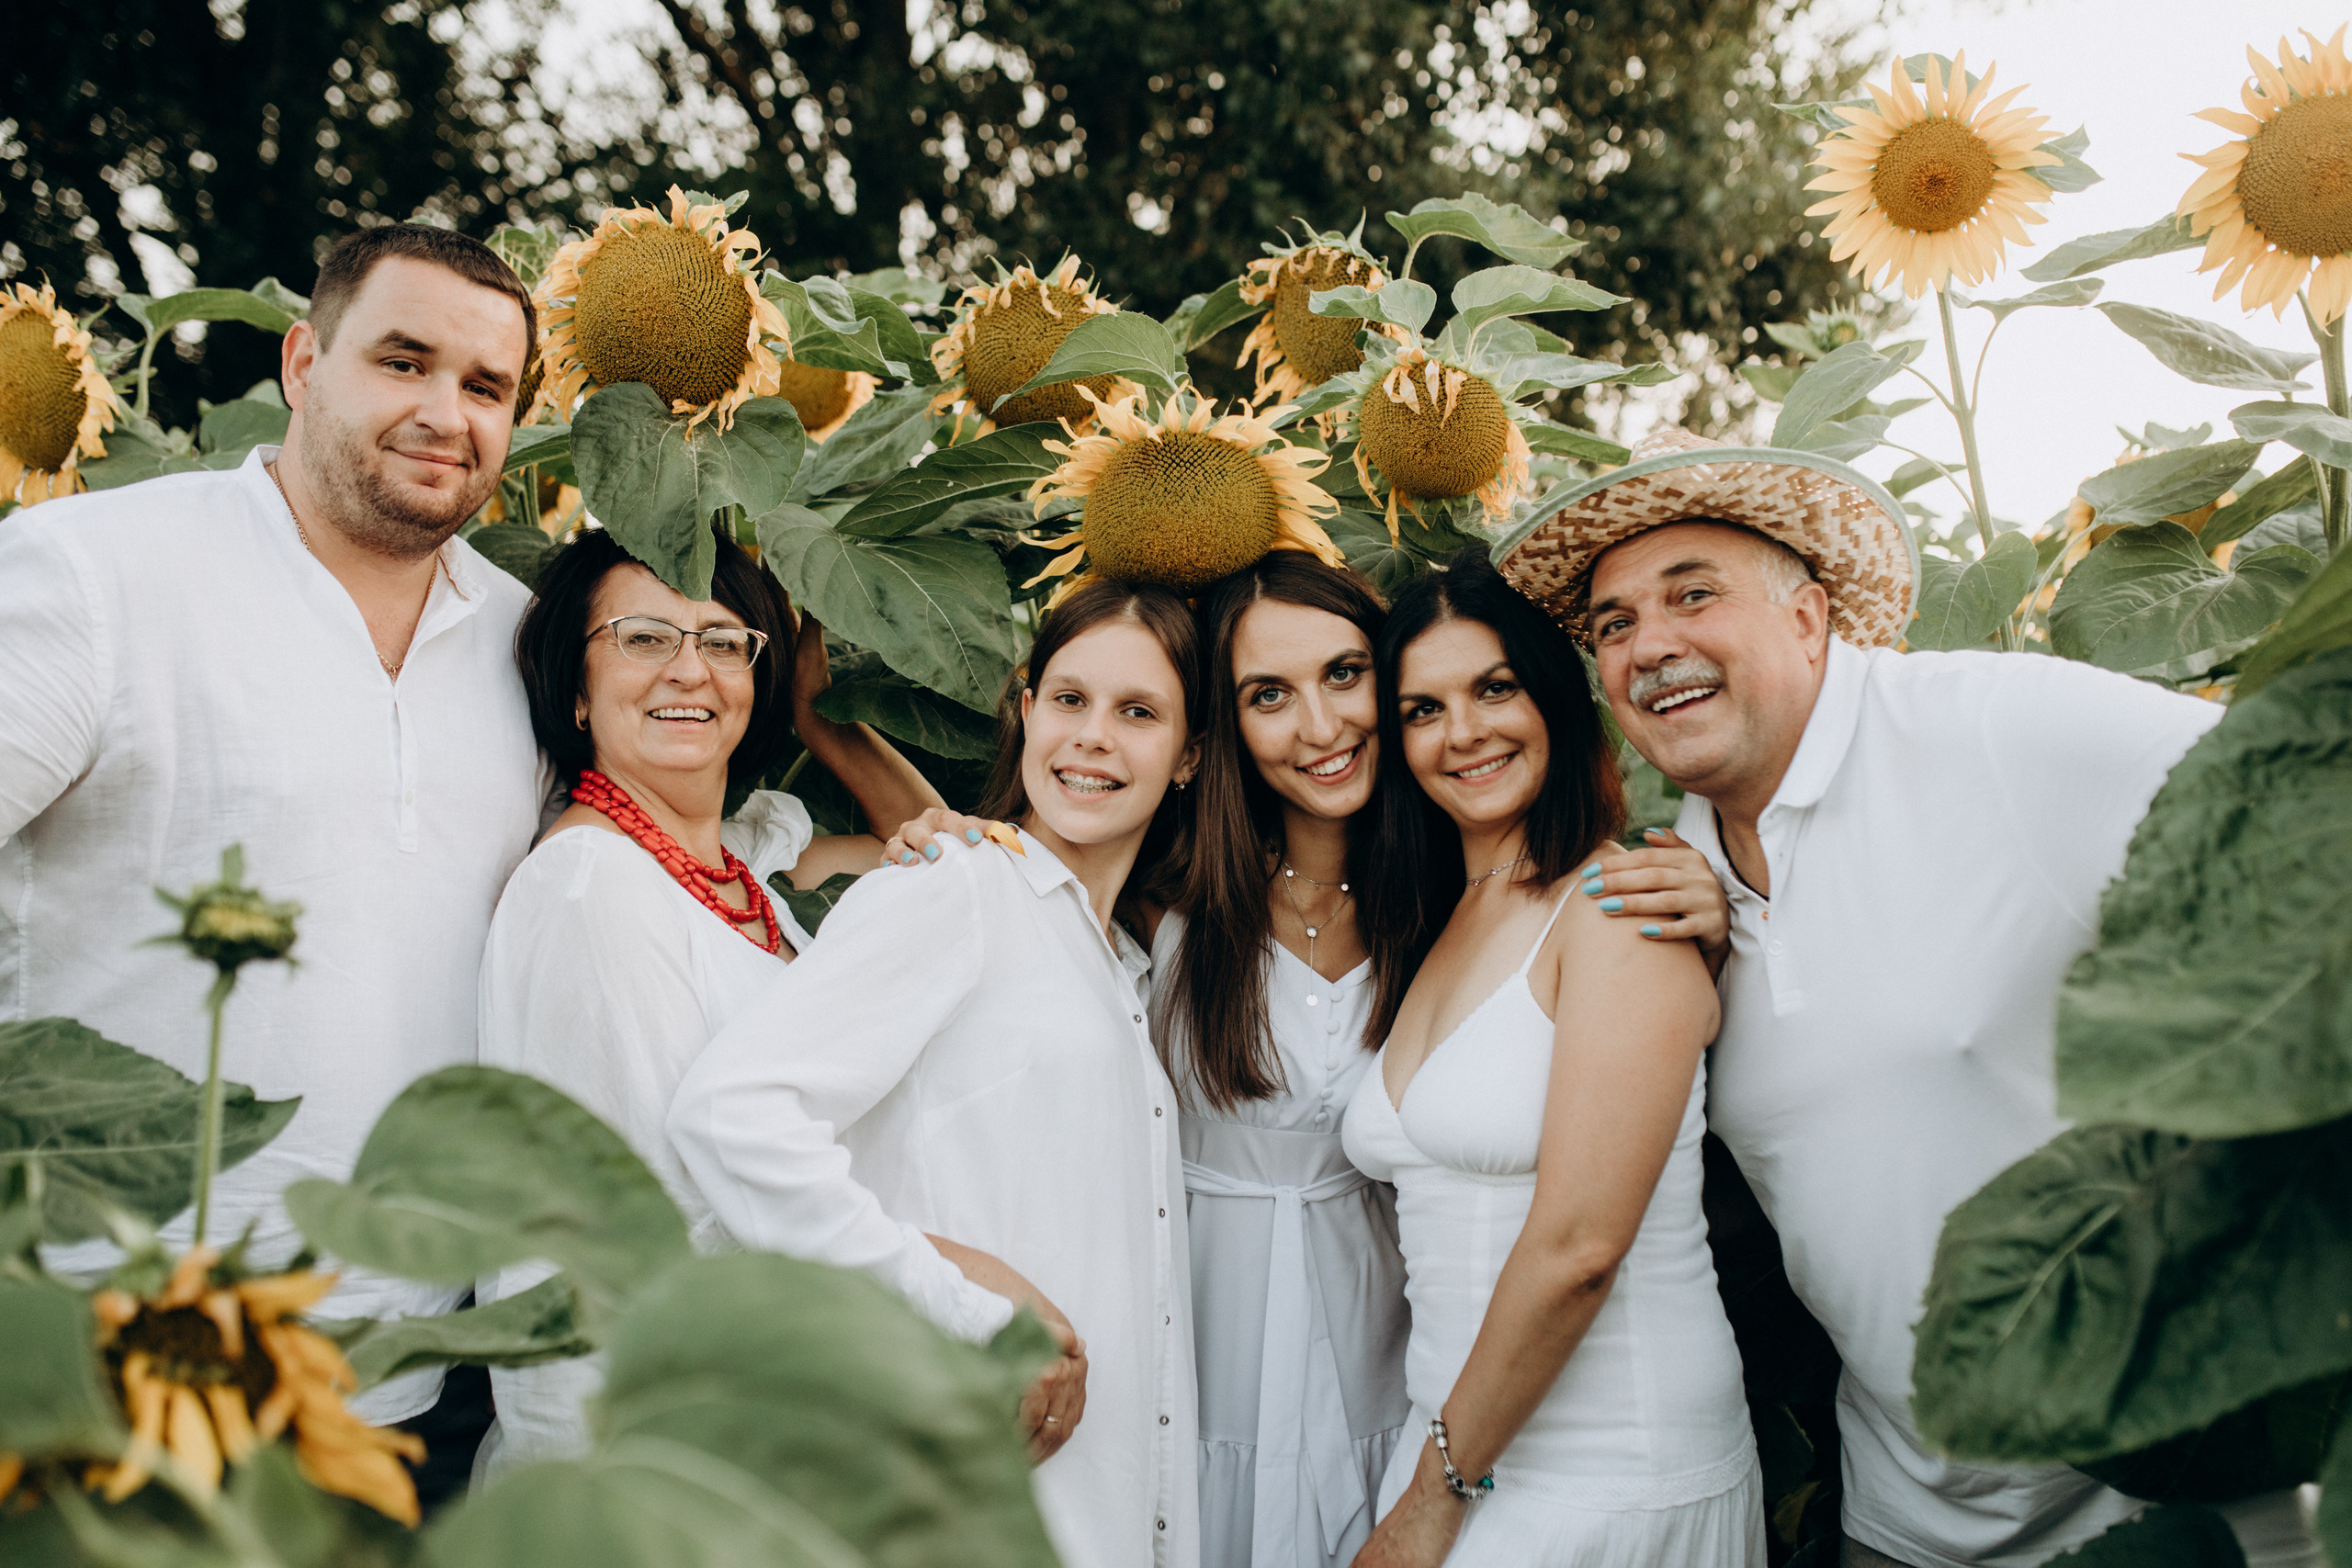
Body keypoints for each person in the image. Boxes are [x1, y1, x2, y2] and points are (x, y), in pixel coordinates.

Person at [1495, 426, 2315, 1568]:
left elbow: (2303, 794)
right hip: (1903, 1512)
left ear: (1808, 617)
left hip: (2167, 1493)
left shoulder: (1987, 728)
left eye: (1693, 594)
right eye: (1614, 624)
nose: (1651, 646)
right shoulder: (1683, 879)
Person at [888, 553, 1735, 1568]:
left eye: (1345, 675)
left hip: (1401, 1381)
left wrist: (1715, 919)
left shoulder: (1445, 895)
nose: (1321, 726)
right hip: (1200, 1349)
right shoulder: (1168, 891)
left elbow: (1593, 1067)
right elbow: (1026, 871)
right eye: (1268, 695)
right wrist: (936, 825)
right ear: (1220, 732)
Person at [0, 225, 544, 1483]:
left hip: (407, 1385)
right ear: (302, 363)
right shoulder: (98, 575)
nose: (445, 413)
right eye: (402, 362)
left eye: (486, 386)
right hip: (101, 1368)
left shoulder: (523, 643)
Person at [669, 577, 1206, 1568]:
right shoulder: (955, 887)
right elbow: (732, 1115)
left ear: (1189, 757)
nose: (1093, 737)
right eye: (1070, 699)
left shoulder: (1128, 963)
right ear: (1026, 709)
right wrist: (969, 1307)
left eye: (1139, 712)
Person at [471, 522, 950, 1473]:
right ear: (576, 689)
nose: (689, 669)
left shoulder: (746, 867)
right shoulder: (590, 891)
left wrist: (825, 722)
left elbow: (948, 870)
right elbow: (682, 1209)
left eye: (725, 642)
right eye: (645, 637)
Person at [1340, 547, 1763, 1567]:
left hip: (1609, 1470)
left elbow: (1580, 1249)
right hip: (1456, 1446)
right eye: (1423, 709)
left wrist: (1430, 1503)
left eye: (1495, 688)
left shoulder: (1621, 906)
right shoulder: (1440, 920)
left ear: (1554, 700)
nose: (1463, 732)